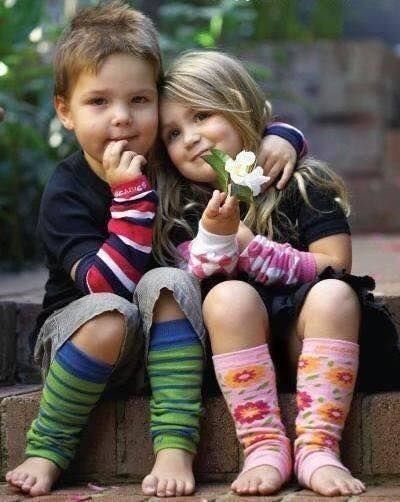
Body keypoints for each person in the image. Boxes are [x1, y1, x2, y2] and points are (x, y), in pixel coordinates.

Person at [5, 2, 307, 498]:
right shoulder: (67, 190)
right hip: (81, 341)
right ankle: (48, 446)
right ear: (64, 111)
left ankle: (174, 446)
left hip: (169, 347)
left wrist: (281, 137)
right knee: (111, 313)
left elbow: (229, 137)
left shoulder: (164, 159)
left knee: (170, 280)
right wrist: (128, 197)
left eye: (140, 100)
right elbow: (105, 286)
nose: (122, 118)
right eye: (98, 102)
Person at [152, 50, 400, 497]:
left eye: (202, 115)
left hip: (314, 338)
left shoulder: (300, 182)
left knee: (334, 293)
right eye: (172, 133)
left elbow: (336, 262)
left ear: (240, 106)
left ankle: (318, 447)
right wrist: (216, 237)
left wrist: (254, 250)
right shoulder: (182, 208)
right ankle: (263, 444)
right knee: (226, 297)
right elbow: (193, 274)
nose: (190, 138)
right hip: (241, 353)